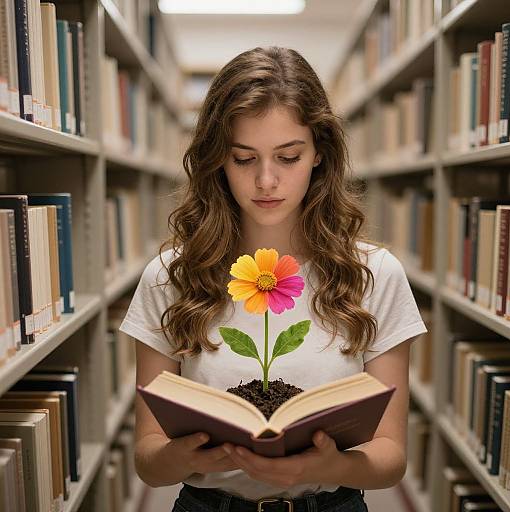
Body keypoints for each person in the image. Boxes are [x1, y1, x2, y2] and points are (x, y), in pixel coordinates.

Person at [119, 46, 428, 512]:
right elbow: (147, 461)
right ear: (217, 161)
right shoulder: (170, 277)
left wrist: (327, 467)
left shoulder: (375, 275)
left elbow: (392, 456)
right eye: (244, 159)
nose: (266, 180)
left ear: (319, 154)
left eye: (288, 157)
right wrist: (183, 456)